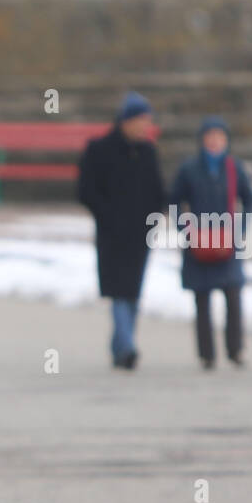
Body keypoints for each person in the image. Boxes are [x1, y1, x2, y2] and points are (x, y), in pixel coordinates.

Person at [77, 91, 167, 370]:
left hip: (141, 233)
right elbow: (86, 190)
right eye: (141, 120)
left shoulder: (149, 152)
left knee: (133, 291)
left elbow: (158, 191)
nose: (144, 126)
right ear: (126, 121)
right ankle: (127, 347)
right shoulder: (99, 149)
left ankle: (120, 347)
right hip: (112, 233)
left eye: (148, 121)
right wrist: (107, 217)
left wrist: (160, 214)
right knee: (118, 289)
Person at [169, 116, 252, 369]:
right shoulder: (189, 169)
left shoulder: (234, 168)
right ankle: (206, 354)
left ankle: (235, 350)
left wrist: (239, 229)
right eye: (210, 136)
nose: (215, 141)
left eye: (220, 137)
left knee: (233, 295)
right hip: (198, 244)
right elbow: (174, 201)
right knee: (202, 300)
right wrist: (187, 230)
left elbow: (249, 199)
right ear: (202, 140)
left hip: (227, 244)